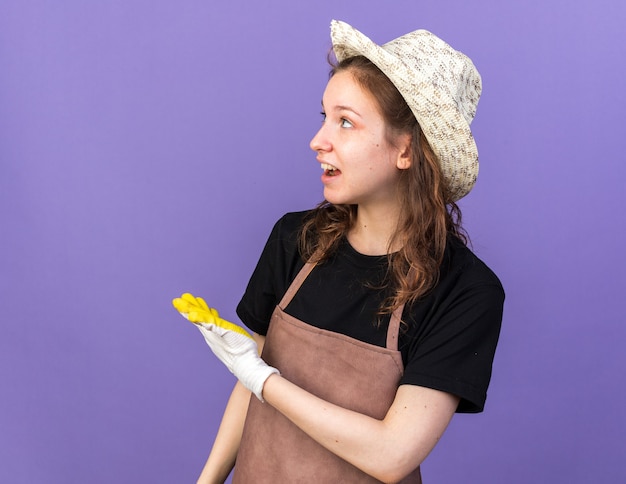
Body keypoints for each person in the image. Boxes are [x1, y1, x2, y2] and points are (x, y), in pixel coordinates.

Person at [173, 19, 504, 484]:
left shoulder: (466, 292)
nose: (318, 140)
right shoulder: (295, 240)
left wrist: (262, 377)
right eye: (324, 116)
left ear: (405, 150)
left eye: (345, 122)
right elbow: (247, 385)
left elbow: (392, 455)